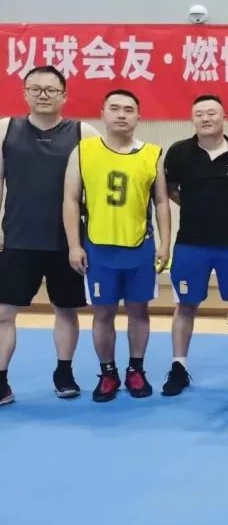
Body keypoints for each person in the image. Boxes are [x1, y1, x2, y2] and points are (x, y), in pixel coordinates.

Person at [61, 90, 171, 402]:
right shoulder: (83, 151)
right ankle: (108, 372)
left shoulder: (152, 154)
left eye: (128, 109)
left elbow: (162, 201)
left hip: (139, 247)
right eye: (115, 108)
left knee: (139, 310)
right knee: (103, 312)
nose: (121, 114)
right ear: (102, 113)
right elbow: (70, 199)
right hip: (98, 248)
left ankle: (136, 369)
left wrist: (165, 244)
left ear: (139, 116)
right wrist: (74, 245)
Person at [0, 66, 100, 405]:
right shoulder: (6, 129)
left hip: (67, 242)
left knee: (66, 310)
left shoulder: (84, 133)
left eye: (51, 90)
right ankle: (1, 380)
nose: (43, 95)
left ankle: (64, 372)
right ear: (25, 92)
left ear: (64, 95)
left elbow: (97, 188)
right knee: (4, 312)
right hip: (17, 238)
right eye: (36, 89)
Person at [161, 95, 228, 396]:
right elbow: (169, 190)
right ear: (192, 119)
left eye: (212, 113)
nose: (205, 118)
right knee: (185, 305)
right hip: (191, 244)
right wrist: (195, 207)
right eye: (199, 113)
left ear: (224, 117)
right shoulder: (178, 152)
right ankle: (179, 367)